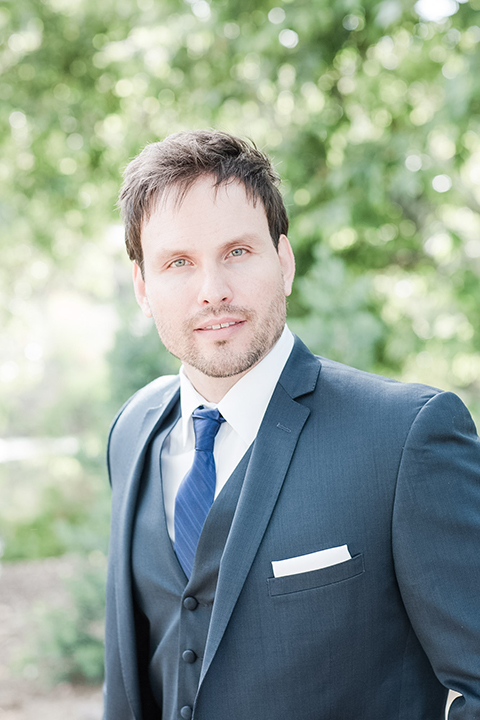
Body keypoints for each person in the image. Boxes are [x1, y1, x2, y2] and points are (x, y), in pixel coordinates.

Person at [104, 130, 480, 720]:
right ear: (143, 287)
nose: (213, 292)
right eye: (179, 262)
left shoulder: (406, 438)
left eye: (237, 252)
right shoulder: (132, 431)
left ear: (283, 260)